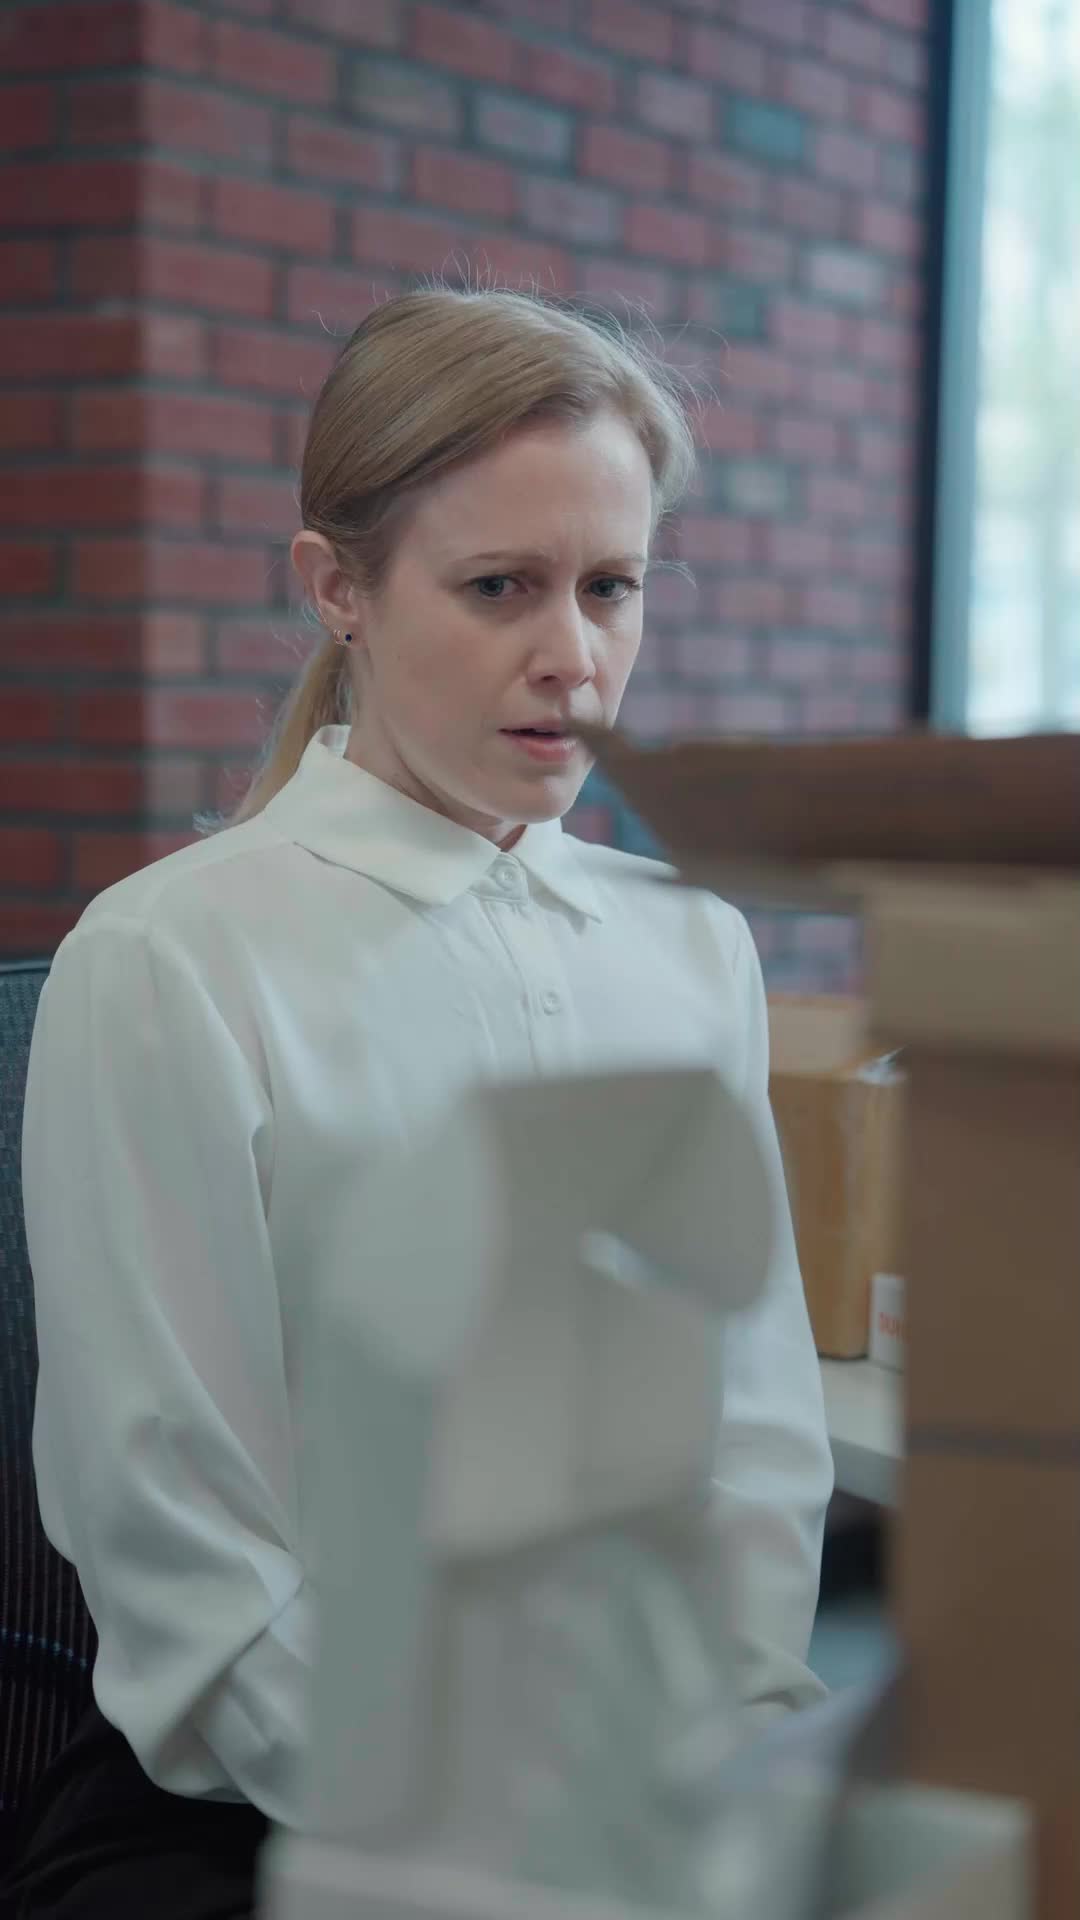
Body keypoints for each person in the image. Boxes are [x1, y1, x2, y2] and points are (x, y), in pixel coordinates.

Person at [3, 285, 833, 1919]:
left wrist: (733, 1751)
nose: (573, 657)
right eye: (500, 586)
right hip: (274, 1803)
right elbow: (190, 1553)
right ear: (340, 591)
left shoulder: (695, 950)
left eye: (611, 587)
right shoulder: (171, 960)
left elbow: (752, 1439)